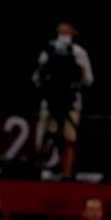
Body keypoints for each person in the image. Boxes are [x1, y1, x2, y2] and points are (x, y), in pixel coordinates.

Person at [32, 21, 94, 179]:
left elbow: (89, 80)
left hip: (71, 103)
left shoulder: (79, 53)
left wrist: (80, 71)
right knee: (45, 138)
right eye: (61, 31)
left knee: (69, 140)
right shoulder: (48, 51)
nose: (63, 35)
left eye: (67, 32)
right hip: (50, 101)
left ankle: (66, 175)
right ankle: (37, 172)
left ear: (74, 33)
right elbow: (36, 78)